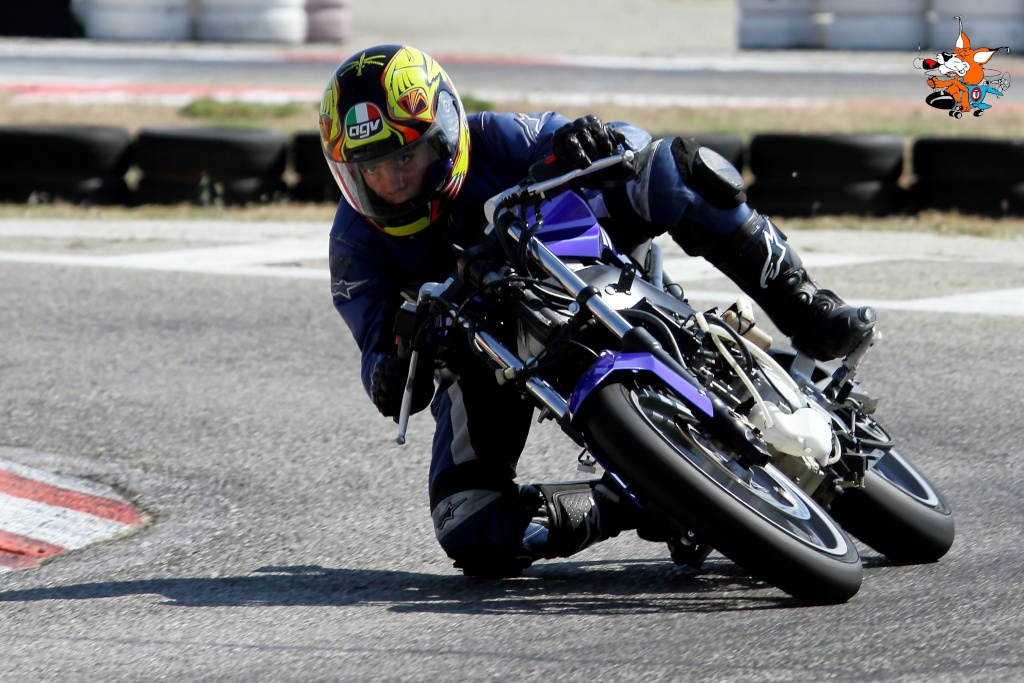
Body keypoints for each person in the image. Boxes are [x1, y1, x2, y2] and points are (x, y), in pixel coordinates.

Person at [321, 44, 876, 577]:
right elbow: (378, 363)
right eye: (372, 170)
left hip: (578, 260)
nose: (392, 182)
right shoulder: (355, 247)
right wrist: (392, 373)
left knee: (669, 166)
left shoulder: (495, 137)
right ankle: (632, 498)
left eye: (405, 157)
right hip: (488, 358)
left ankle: (804, 304)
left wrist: (590, 139)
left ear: (442, 136)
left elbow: (623, 143)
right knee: (467, 525)